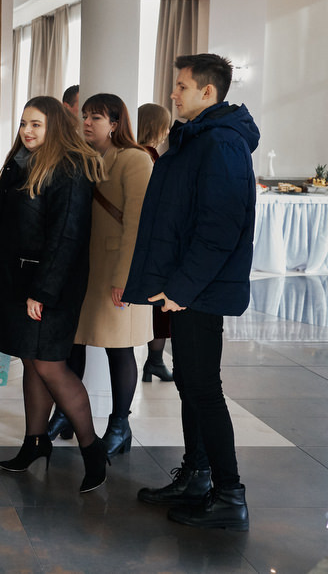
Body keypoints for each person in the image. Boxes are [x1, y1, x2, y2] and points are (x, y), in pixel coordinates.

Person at [124, 53, 259, 531]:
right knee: (189, 383)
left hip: (199, 288)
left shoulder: (221, 143)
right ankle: (197, 476)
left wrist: (181, 288)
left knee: (203, 388)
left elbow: (219, 228)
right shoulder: (198, 136)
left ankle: (230, 495)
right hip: (186, 286)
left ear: (208, 91)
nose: (173, 93)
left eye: (181, 86)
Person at [0, 96, 108, 492]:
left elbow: (67, 238)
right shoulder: (19, 164)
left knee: (50, 365)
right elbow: (3, 228)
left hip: (49, 286)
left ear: (55, 126)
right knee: (31, 361)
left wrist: (43, 292)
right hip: (16, 282)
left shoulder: (70, 168)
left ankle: (93, 450)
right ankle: (35, 443)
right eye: (23, 123)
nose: (27, 131)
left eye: (36, 124)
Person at [68, 93, 153, 457]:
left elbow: (137, 224)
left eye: (96, 117)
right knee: (73, 342)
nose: (87, 122)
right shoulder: (83, 157)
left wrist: (125, 278)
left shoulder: (134, 159)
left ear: (115, 124)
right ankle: (65, 413)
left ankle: (119, 425)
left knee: (119, 348)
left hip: (118, 270)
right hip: (85, 269)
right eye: (85, 116)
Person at [136, 102, 174, 382]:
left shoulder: (137, 153)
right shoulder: (147, 157)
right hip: (151, 240)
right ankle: (155, 360)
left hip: (145, 238)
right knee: (158, 303)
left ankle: (155, 361)